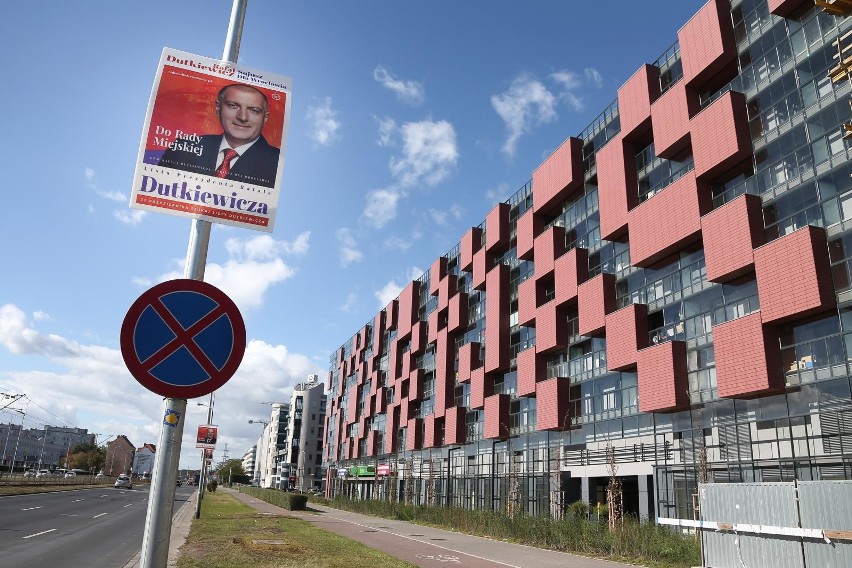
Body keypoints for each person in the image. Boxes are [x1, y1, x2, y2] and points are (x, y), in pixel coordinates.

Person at [157, 84, 280, 188]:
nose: (242, 117)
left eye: (253, 110)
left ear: (265, 118)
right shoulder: (183, 148)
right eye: (233, 106)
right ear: (218, 108)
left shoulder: (277, 163)